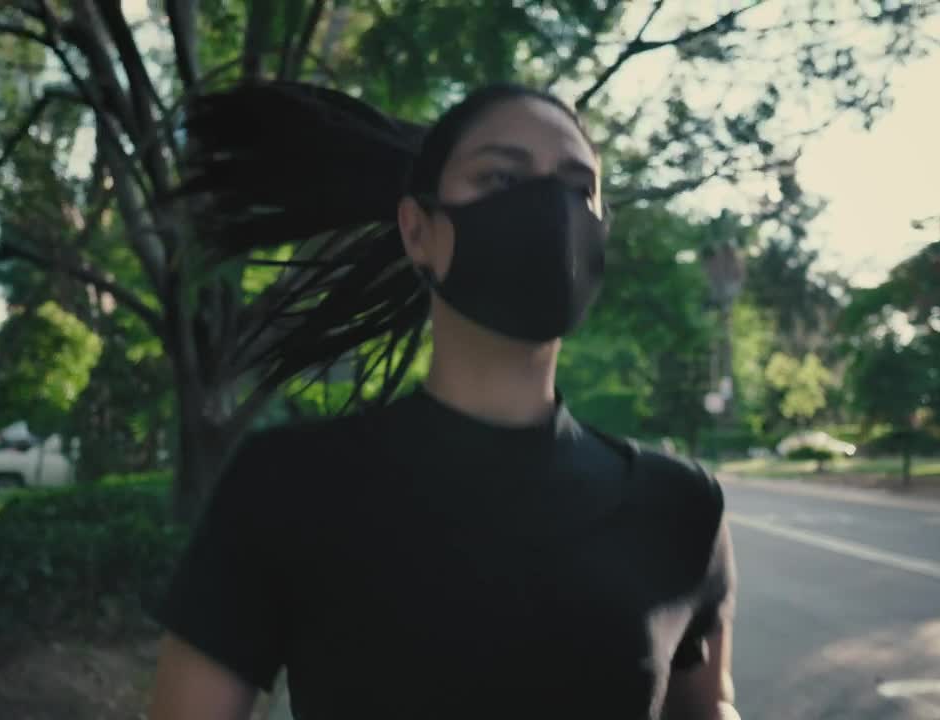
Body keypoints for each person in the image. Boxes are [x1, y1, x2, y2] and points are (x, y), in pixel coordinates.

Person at [148, 80, 739, 720]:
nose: (551, 209)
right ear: (417, 231)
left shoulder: (681, 507)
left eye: (577, 188)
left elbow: (709, 711)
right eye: (502, 179)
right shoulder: (288, 486)